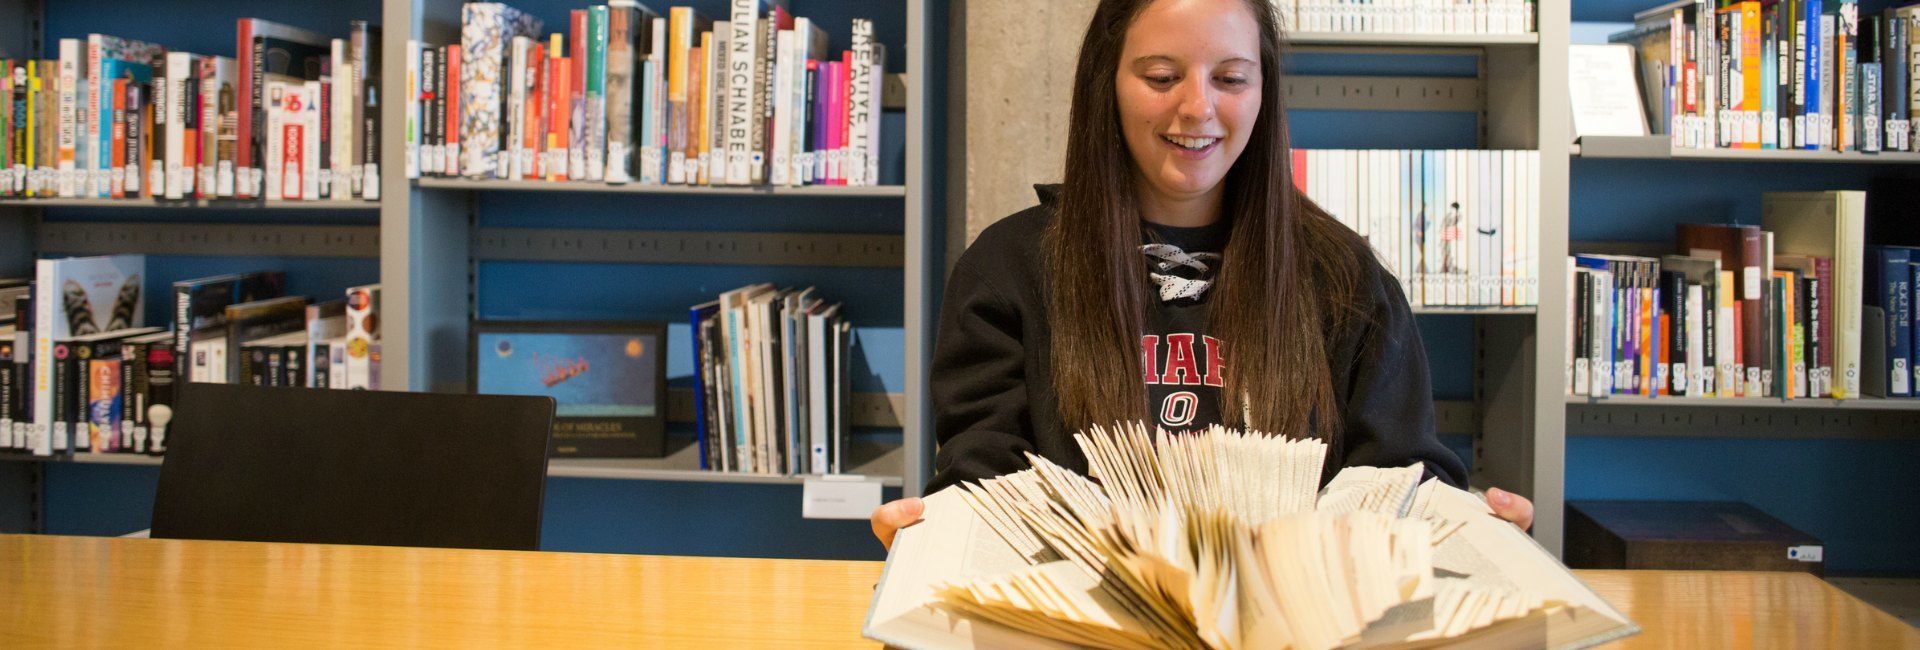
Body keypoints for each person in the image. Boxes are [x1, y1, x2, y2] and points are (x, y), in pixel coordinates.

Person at [872, 0, 1534, 548]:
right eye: (1161, 77)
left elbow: (1401, 477)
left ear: (1264, 90)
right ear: (1107, 81)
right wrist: (934, 538)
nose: (1197, 107)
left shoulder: (1344, 278)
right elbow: (984, 484)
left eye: (1232, 78)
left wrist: (1474, 532)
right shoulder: (1008, 268)